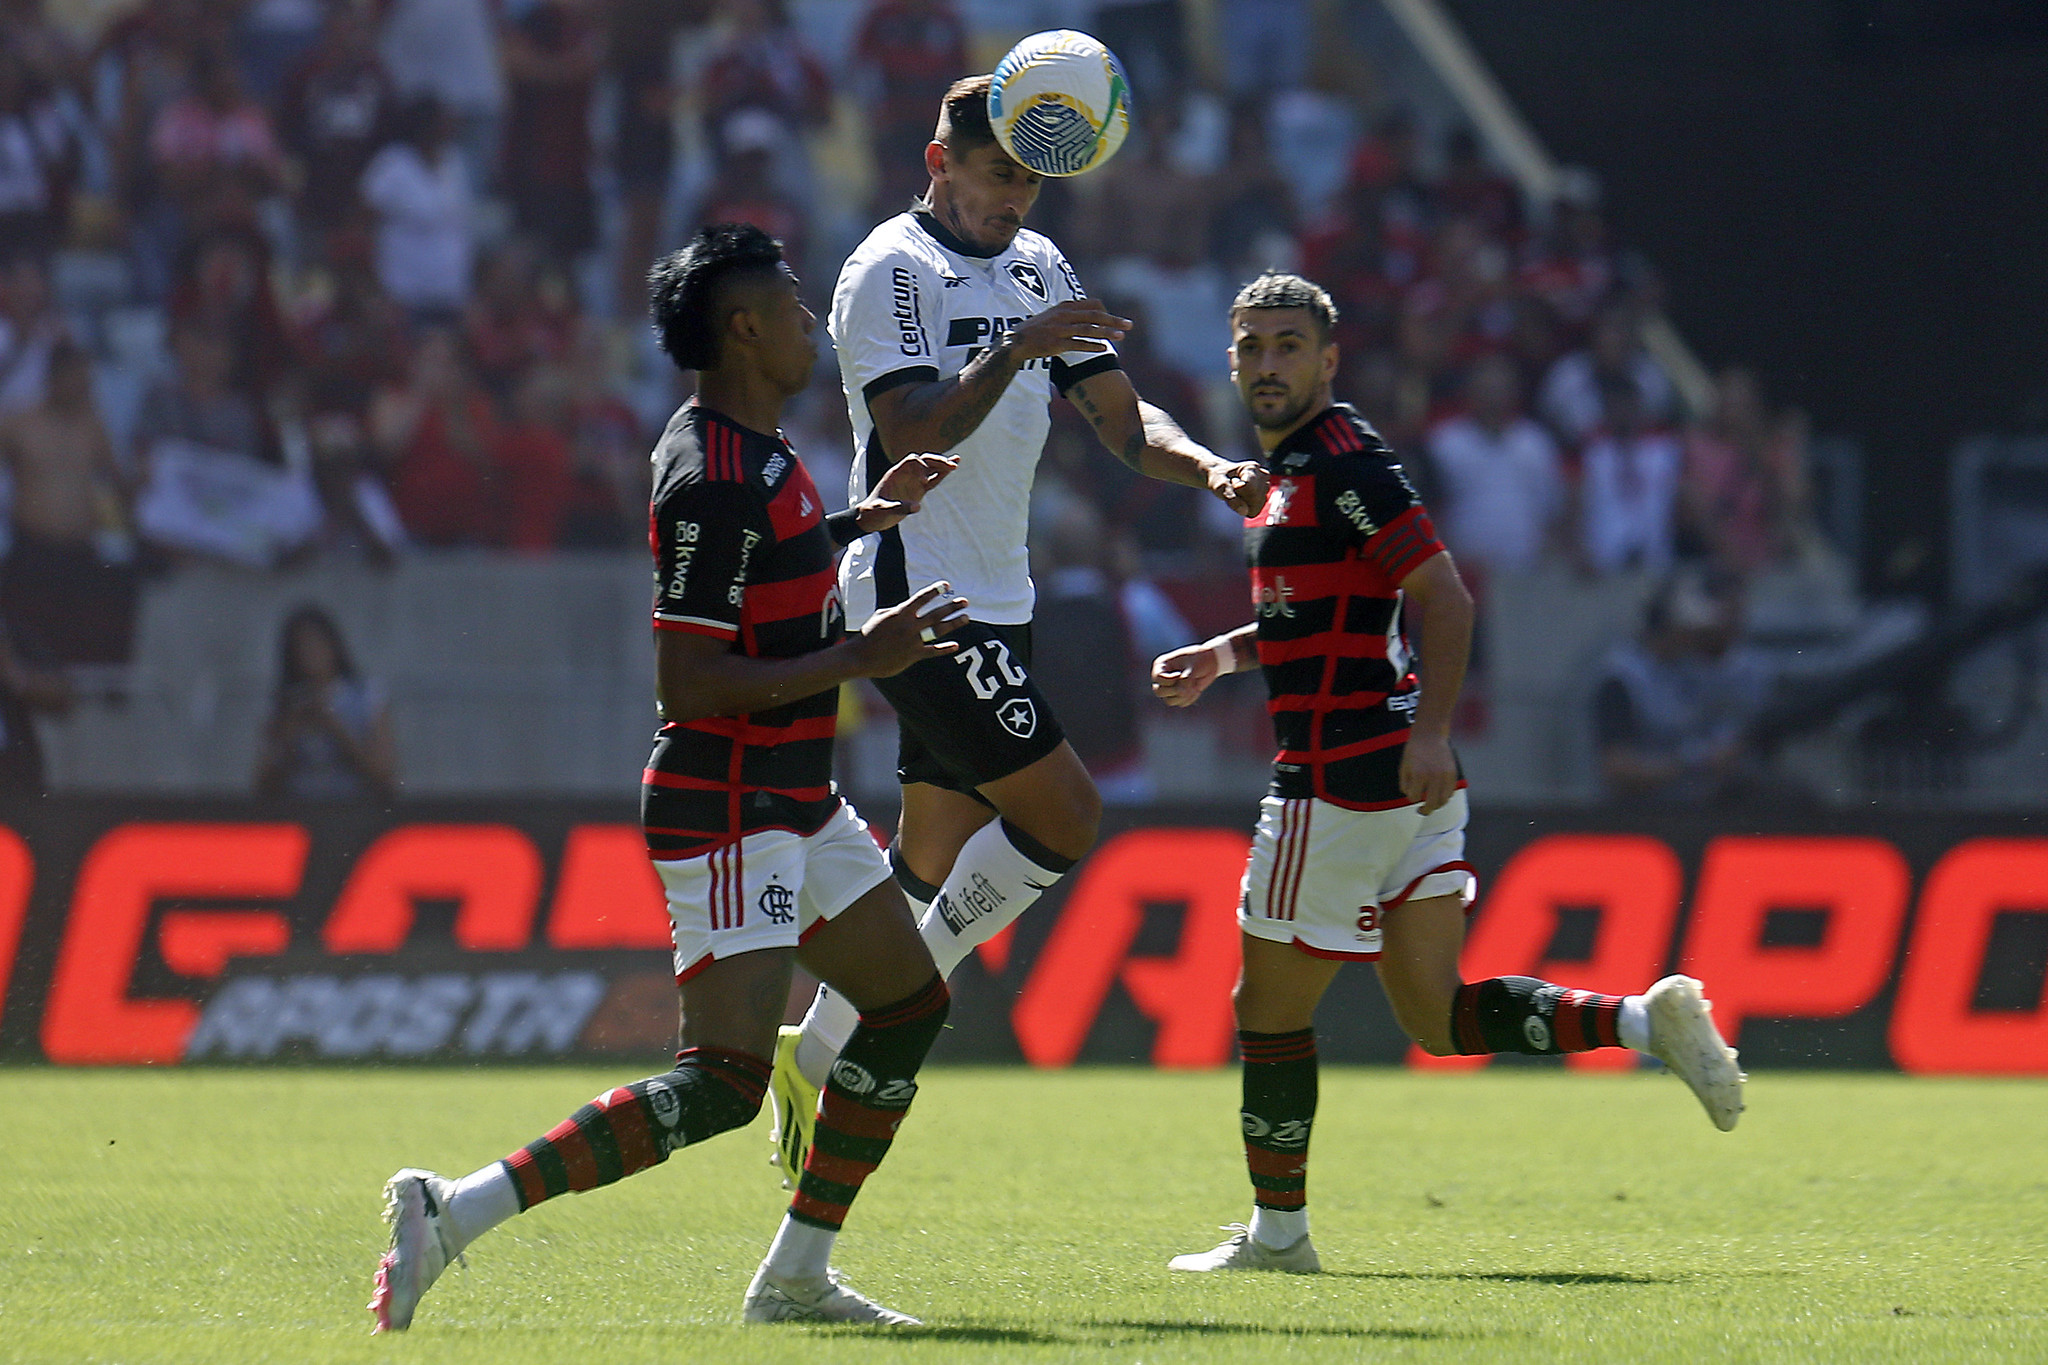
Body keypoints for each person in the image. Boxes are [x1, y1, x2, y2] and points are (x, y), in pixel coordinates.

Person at [368, 223, 967, 1331]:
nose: (810, 325)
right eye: (792, 308)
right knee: (723, 1085)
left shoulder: (760, 451)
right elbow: (688, 680)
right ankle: (451, 1211)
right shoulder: (712, 473)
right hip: (733, 799)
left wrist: (856, 520)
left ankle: (794, 1276)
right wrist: (860, 657)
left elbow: (760, 567)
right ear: (743, 328)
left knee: (908, 1001)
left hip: (793, 792)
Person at [1147, 273, 1744, 1275]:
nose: (1265, 365)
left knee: (1266, 1009)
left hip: (1339, 777)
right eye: (1249, 348)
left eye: (1286, 346)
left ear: (1326, 361)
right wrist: (1222, 655)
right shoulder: (1294, 473)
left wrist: (1428, 728)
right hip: (1411, 784)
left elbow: (1446, 598)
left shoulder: (1343, 468)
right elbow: (1321, 621)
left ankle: (1278, 1237)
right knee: (1434, 1015)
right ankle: (1646, 1020)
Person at [769, 74, 1266, 1181]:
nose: (1015, 202)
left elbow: (1122, 421)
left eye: (1032, 182)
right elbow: (906, 438)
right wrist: (1016, 347)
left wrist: (1210, 469)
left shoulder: (1040, 266)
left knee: (933, 851)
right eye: (998, 177)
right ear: (940, 162)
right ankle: (850, 1030)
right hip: (913, 590)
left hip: (1002, 594)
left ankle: (821, 1032)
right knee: (1067, 814)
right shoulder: (891, 271)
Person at [1592, 565, 1778, 804]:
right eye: (1693, 629)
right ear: (1670, 626)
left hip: (1697, 806)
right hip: (1639, 815)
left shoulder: (1692, 668)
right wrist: (1695, 765)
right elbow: (1617, 769)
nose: (1699, 637)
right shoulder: (1621, 678)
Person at [254, 604, 398, 800]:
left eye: (316, 643)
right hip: (298, 810)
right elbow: (261, 785)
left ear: (333, 645)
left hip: (354, 810)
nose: (311, 654)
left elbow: (384, 774)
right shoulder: (282, 705)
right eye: (301, 646)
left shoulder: (367, 695)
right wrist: (290, 734)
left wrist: (334, 728)